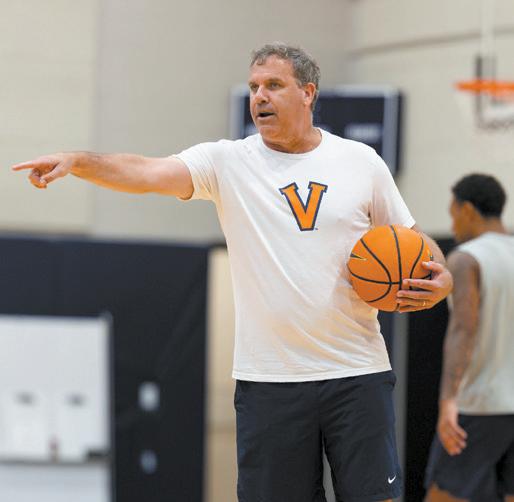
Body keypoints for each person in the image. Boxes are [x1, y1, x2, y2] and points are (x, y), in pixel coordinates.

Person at [13, 43, 453, 502]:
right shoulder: (227, 162)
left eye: (274, 85)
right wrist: (80, 162)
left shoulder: (361, 162)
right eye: (254, 87)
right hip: (270, 381)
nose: (259, 96)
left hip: (356, 372)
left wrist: (440, 276)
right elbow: (145, 172)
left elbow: (417, 246)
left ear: (308, 93)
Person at [424, 174, 514, 502]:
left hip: (480, 404)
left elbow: (464, 329)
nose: (453, 225)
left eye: (454, 215)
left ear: (468, 210)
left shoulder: (466, 258)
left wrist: (448, 400)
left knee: (442, 495)